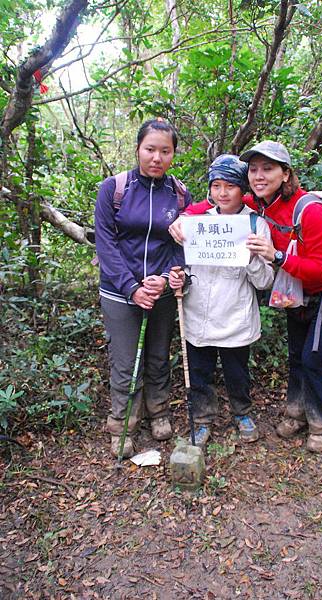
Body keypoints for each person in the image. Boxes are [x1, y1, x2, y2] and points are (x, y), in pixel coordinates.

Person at [240, 141, 322, 452]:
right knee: (296, 358)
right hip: (299, 293)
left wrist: (276, 256)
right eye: (253, 169)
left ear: (286, 173)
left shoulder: (310, 210)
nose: (259, 175)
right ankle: (297, 411)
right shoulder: (261, 203)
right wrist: (183, 220)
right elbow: (222, 199)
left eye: (268, 168)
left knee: (314, 359)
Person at [95, 118, 192, 458]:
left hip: (162, 290)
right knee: (125, 361)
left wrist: (167, 276)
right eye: (150, 149)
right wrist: (132, 287)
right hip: (120, 291)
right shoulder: (114, 189)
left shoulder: (179, 194)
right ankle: (122, 423)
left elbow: (181, 244)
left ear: (173, 155)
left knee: (157, 355)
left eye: (165, 151)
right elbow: (106, 245)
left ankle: (159, 411)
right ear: (137, 149)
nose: (157, 157)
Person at [168, 155, 274, 447]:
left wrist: (252, 257)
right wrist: (180, 280)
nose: (223, 193)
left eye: (230, 186)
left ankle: (242, 413)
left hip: (236, 316)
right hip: (198, 313)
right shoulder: (197, 223)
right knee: (199, 371)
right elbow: (187, 268)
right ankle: (202, 420)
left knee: (237, 372)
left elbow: (265, 281)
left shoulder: (255, 224)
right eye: (216, 186)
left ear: (243, 189)